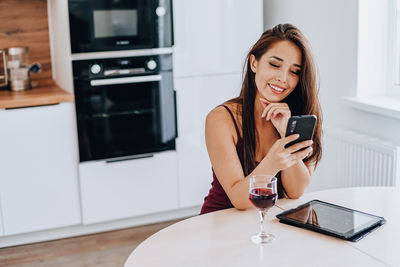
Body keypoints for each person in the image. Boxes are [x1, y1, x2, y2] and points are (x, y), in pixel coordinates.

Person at [200, 24, 322, 214]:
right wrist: (274, 161)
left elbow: (296, 191)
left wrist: (286, 135)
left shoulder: (298, 117)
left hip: (266, 224)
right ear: (254, 63)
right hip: (220, 222)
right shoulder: (221, 119)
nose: (283, 78)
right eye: (274, 65)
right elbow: (239, 199)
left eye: (294, 71)